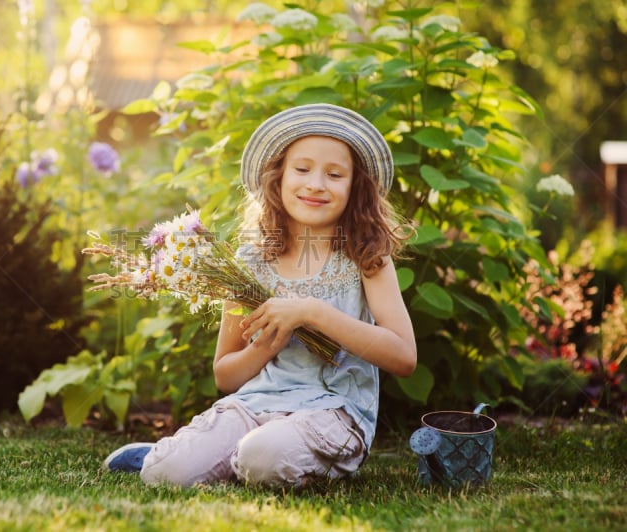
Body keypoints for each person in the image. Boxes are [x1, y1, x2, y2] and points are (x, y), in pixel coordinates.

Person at [103, 103, 417, 487]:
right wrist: (267, 344)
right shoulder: (251, 260)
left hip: (332, 413)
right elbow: (225, 375)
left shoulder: (367, 256)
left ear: (355, 187)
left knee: (263, 458)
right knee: (163, 474)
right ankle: (179, 455)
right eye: (302, 169)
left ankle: (240, 457)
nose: (316, 183)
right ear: (278, 178)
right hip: (255, 405)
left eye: (335, 174)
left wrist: (312, 312)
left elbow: (404, 358)